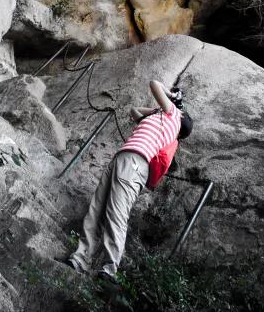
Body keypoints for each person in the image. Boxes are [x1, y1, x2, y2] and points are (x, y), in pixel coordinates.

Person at [68, 80, 193, 279]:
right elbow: (134, 111)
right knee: (97, 209)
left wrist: (170, 95)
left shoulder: (174, 117)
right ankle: (80, 259)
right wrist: (157, 109)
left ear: (180, 118)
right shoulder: (160, 119)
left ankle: (109, 269)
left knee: (116, 213)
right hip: (122, 158)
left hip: (135, 162)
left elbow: (153, 83)